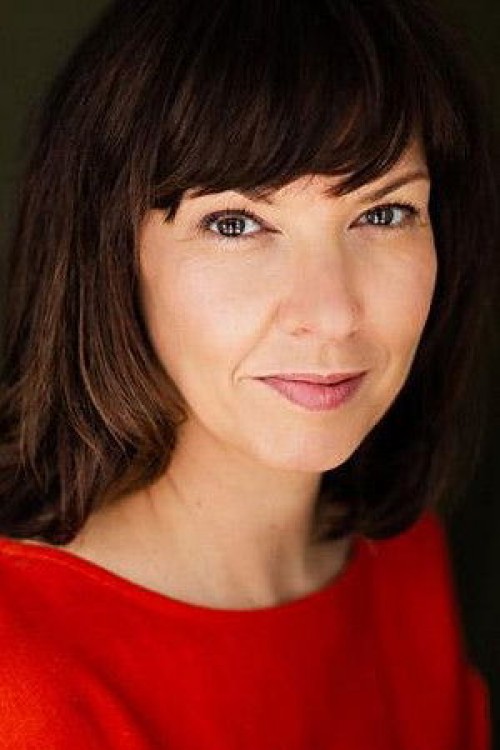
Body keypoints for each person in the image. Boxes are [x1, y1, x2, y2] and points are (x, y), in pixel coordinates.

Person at [0, 0, 497, 747]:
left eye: (383, 214)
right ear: (112, 256)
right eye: (235, 224)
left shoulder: (402, 557)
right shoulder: (20, 678)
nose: (332, 313)